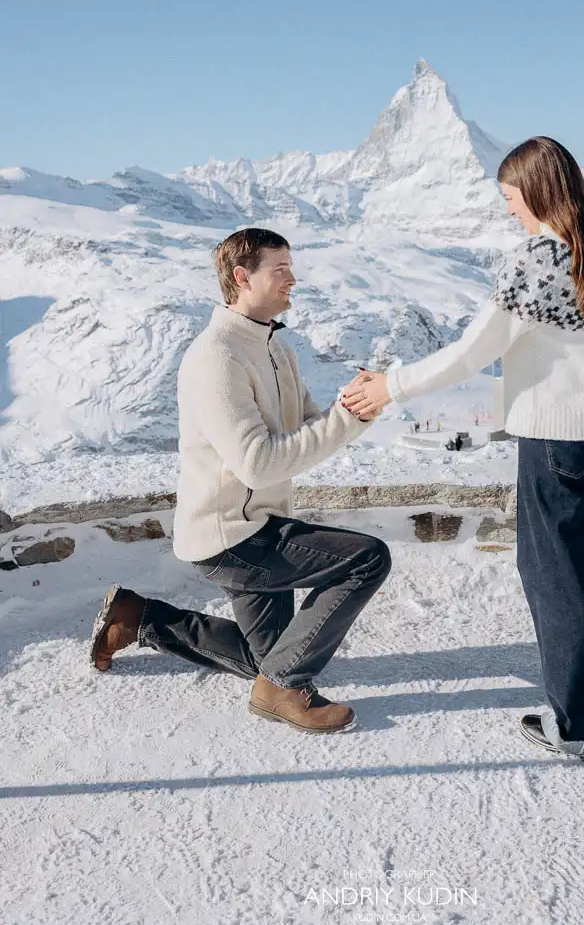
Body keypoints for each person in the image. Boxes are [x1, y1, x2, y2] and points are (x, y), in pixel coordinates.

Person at [342, 136, 584, 766]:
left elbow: (472, 351)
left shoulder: (536, 257)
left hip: (557, 438)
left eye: (509, 195)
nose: (507, 208)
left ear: (534, 191)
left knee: (557, 578)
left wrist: (390, 386)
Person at [89, 228, 390, 733]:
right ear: (241, 277)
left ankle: (139, 617)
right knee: (366, 559)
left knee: (269, 658)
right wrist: (342, 418)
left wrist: (355, 408)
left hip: (261, 523)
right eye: (281, 269)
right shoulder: (217, 358)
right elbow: (259, 464)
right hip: (233, 536)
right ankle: (282, 693)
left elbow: (308, 429)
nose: (293, 279)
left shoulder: (276, 348)